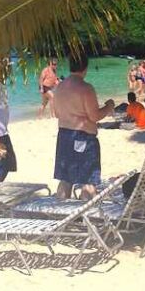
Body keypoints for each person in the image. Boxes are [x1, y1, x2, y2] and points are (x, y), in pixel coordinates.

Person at [53, 51, 115, 200]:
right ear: (85, 68)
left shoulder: (60, 87)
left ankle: (61, 216)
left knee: (66, 180)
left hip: (64, 135)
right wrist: (109, 106)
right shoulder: (85, 88)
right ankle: (86, 217)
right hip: (83, 137)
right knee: (88, 182)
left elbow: (56, 113)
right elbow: (95, 116)